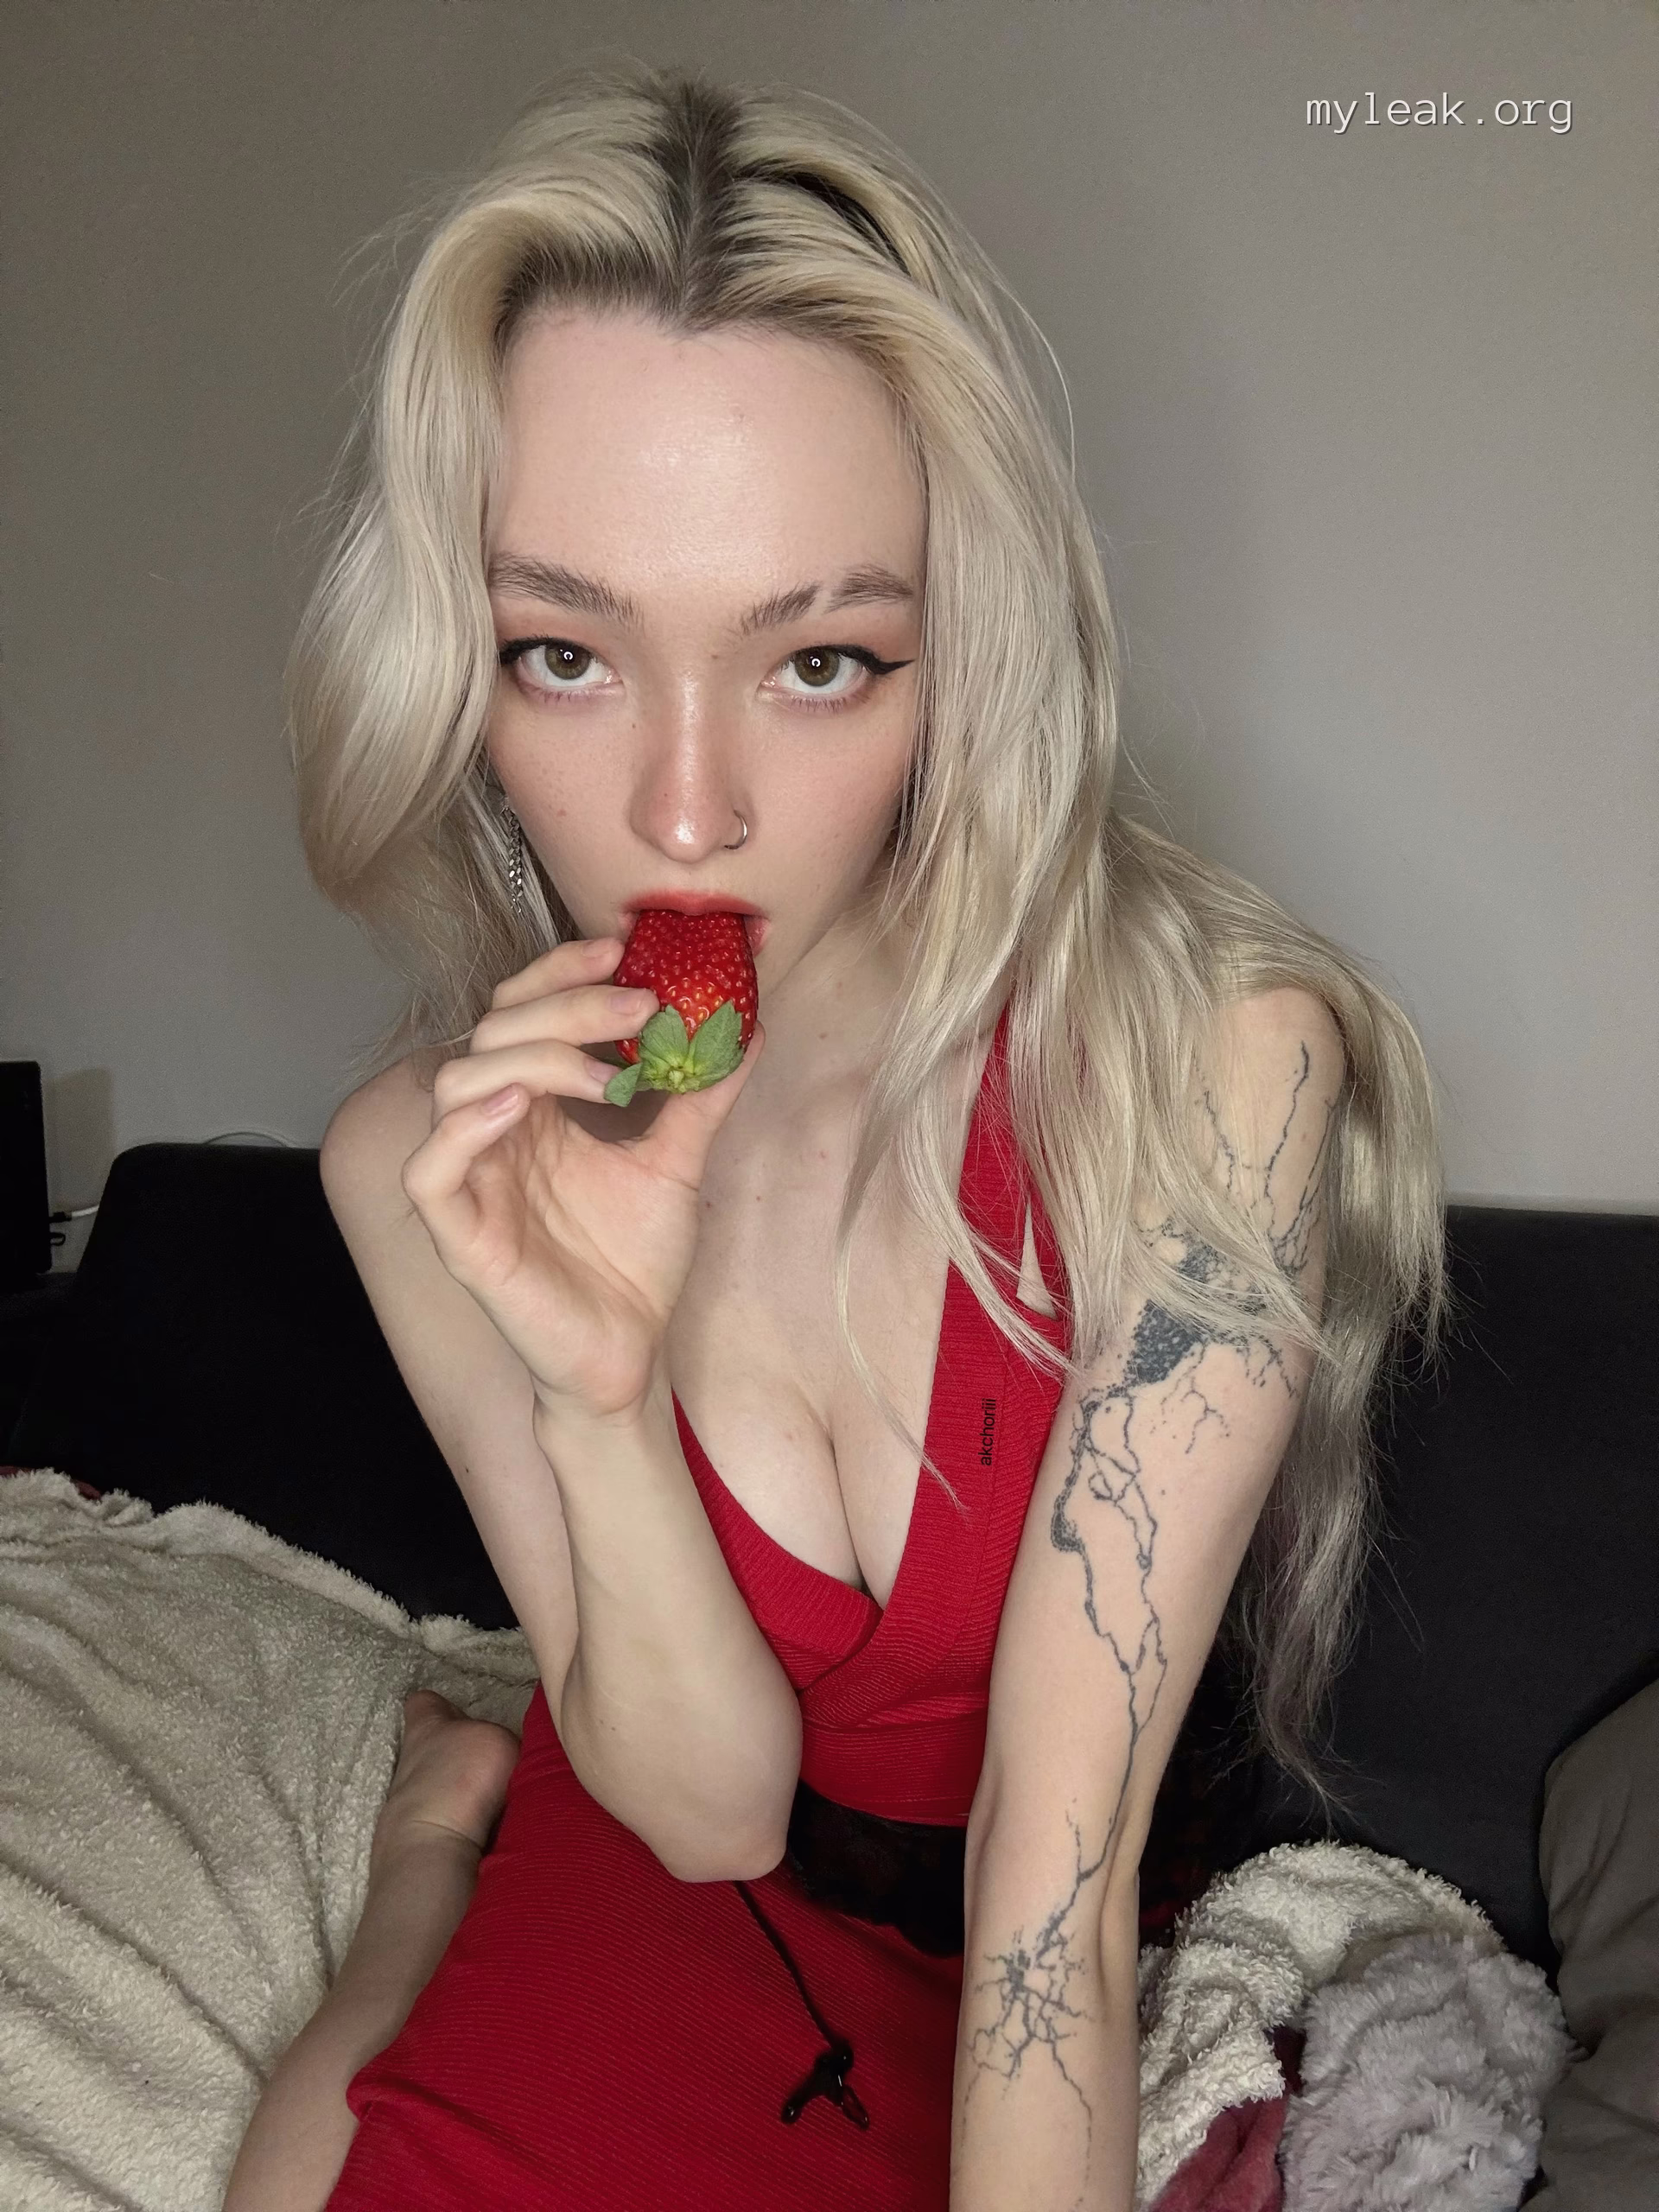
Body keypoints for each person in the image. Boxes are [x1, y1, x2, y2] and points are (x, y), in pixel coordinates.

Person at [223, 58, 1443, 2212]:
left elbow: (1055, 1891)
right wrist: (601, 1399)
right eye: (562, 651)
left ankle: (429, 1853)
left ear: (957, 658)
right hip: (666, 1862)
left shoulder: (1211, 1068)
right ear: (449, 669)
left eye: (818, 663)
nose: (686, 812)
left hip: (1009, 1930)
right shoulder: (419, 1156)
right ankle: (435, 1861)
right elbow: (702, 1813)